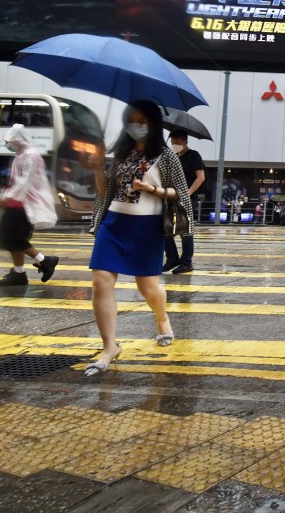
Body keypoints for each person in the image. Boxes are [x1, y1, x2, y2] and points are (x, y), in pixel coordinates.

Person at [83, 100, 193, 376]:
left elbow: (180, 193)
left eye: (142, 121)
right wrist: (97, 167)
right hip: (114, 222)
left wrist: (151, 188)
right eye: (131, 120)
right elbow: (104, 191)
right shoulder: (119, 154)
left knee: (148, 288)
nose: (137, 126)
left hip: (146, 227)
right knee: (100, 280)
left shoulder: (166, 156)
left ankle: (162, 317)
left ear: (153, 124)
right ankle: (110, 346)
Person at [0, 125, 60, 287]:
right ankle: (19, 273)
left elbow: (25, 181)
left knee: (14, 238)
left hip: (24, 204)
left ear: (18, 139)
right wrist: (5, 198)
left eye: (10, 141)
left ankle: (45, 261)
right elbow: (15, 181)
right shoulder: (20, 155)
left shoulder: (30, 155)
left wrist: (7, 198)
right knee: (9, 237)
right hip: (16, 203)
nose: (8, 144)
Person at [162, 130, 205, 274]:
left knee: (186, 231)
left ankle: (186, 262)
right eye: (172, 143)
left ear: (185, 141)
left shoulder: (194, 156)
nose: (174, 145)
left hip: (188, 199)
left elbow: (200, 177)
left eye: (177, 143)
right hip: (171, 198)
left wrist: (187, 194)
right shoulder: (172, 157)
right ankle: (172, 258)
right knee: (165, 229)